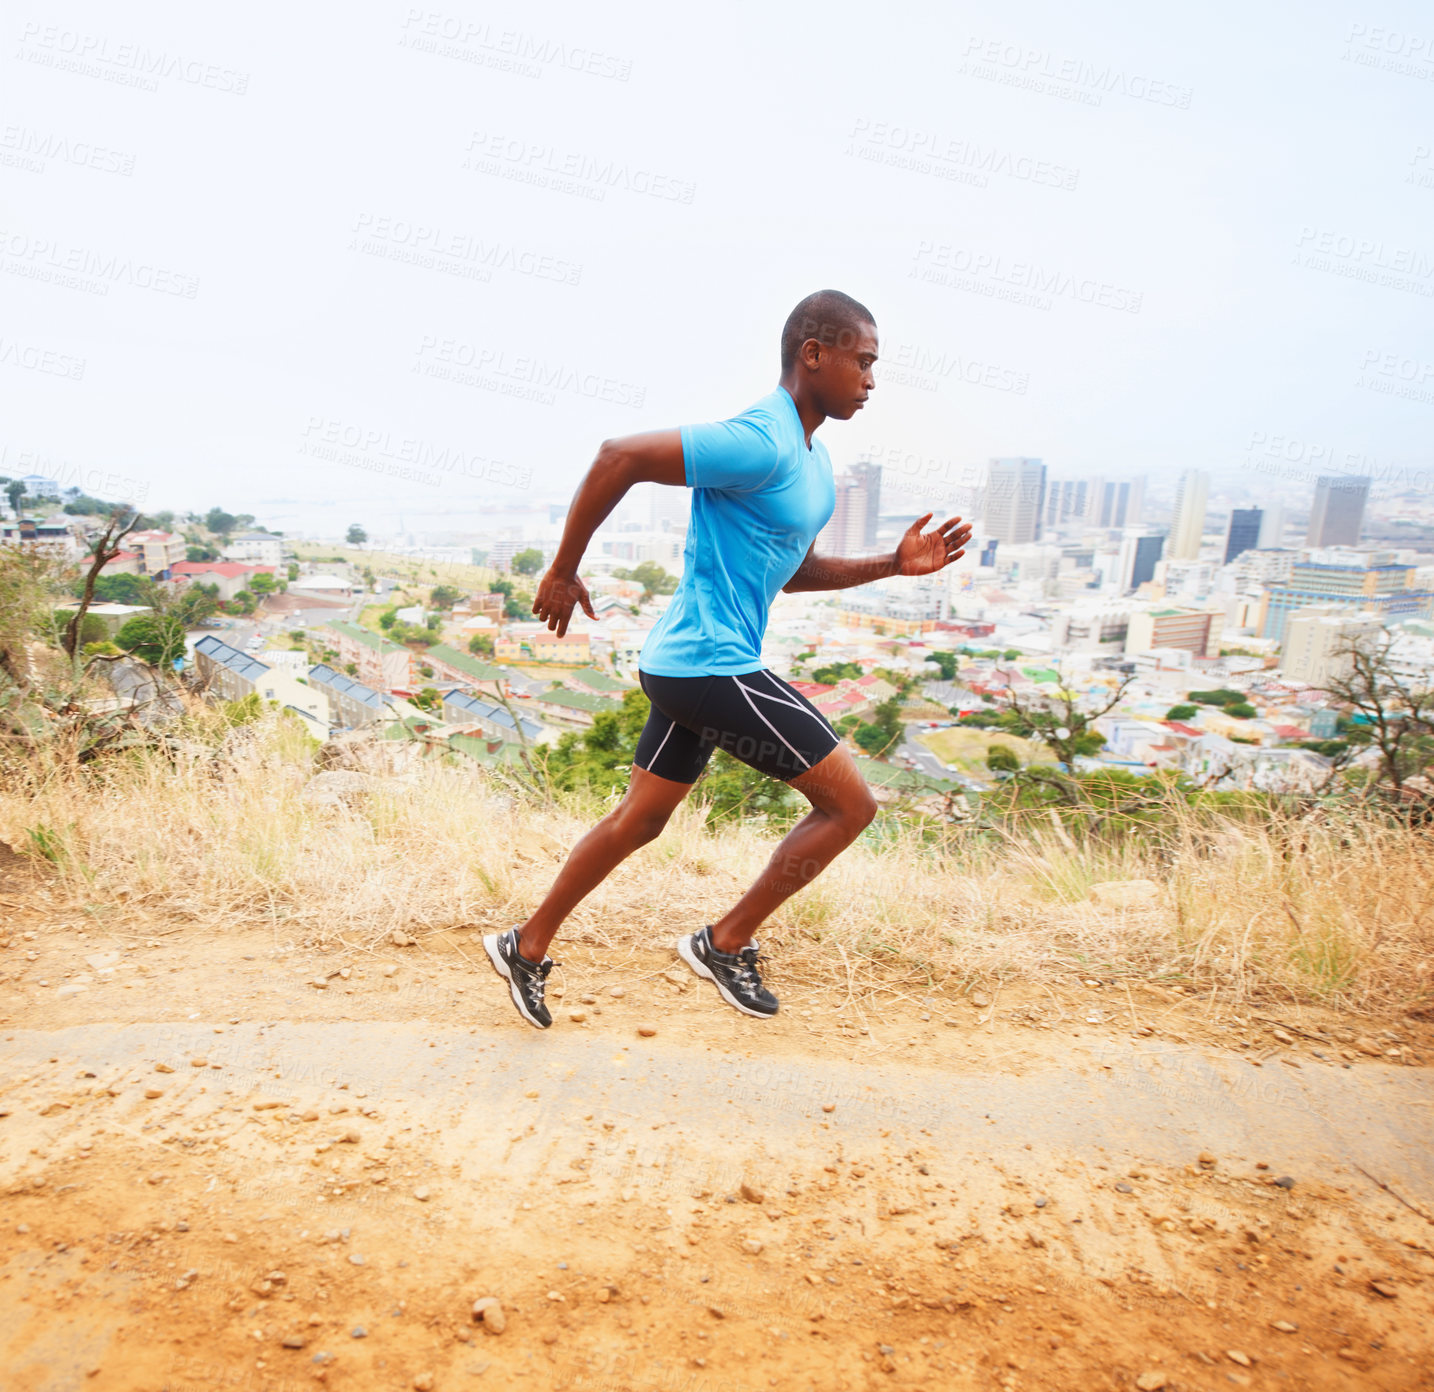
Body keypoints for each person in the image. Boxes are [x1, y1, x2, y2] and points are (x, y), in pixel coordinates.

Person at [484, 290, 972, 1028]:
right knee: (851, 805)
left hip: (694, 663)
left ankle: (525, 946)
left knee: (640, 821)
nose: (871, 381)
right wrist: (562, 569)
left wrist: (890, 567)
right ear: (815, 354)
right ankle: (724, 941)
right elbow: (619, 456)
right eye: (863, 362)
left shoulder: (811, 459)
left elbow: (793, 570)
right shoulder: (760, 438)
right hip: (710, 666)